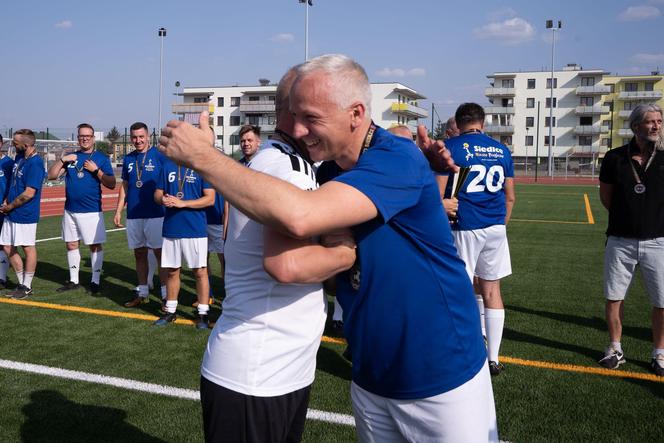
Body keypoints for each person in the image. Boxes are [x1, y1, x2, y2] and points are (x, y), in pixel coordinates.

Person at [159, 54, 497, 442]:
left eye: (311, 118)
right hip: (370, 372)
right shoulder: (327, 170)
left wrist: (202, 157)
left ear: (355, 113)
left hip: (440, 370)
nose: (298, 130)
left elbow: (300, 217)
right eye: (294, 115)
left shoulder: (396, 158)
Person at [200, 66, 357, 443]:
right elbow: (286, 265)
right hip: (257, 371)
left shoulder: (290, 161)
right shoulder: (286, 167)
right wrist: (350, 253)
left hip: (276, 367)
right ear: (297, 110)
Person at [439, 103, 516, 376]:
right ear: (482, 123)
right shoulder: (502, 150)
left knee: (459, 287)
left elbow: (442, 193)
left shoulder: (452, 147)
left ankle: (465, 351)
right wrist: (498, 224)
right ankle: (493, 358)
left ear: (458, 124)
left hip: (464, 225)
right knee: (492, 290)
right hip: (495, 226)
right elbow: (510, 196)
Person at [598, 103, 664, 376]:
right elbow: (606, 198)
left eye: (659, 121)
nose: (657, 126)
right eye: (650, 122)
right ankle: (615, 348)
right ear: (636, 126)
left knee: (662, 301)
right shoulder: (614, 158)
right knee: (614, 297)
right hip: (620, 241)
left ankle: (659, 353)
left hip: (658, 241)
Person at [47, 123, 116, 294]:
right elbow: (52, 175)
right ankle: (73, 280)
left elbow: (112, 184)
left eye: (88, 136)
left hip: (91, 210)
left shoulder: (101, 158)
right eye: (81, 136)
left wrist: (96, 170)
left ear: (93, 138)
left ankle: (95, 281)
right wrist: (63, 159)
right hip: (70, 210)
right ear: (78, 138)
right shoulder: (71, 157)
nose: (84, 138)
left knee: (94, 246)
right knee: (71, 244)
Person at [153, 156, 214, 328]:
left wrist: (183, 203)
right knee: (172, 271)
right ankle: (170, 311)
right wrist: (162, 199)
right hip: (171, 227)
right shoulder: (167, 166)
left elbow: (210, 199)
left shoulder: (201, 164)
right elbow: (157, 193)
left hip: (195, 229)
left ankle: (203, 313)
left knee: (200, 272)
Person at [114, 122, 167, 307]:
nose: (138, 140)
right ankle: (143, 292)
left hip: (156, 214)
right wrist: (119, 210)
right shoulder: (128, 159)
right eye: (134, 137)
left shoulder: (159, 156)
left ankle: (166, 295)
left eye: (141, 137)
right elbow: (126, 186)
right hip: (134, 214)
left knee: (161, 255)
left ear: (148, 137)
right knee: (139, 253)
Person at [0, 129, 45, 299]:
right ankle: (21, 283)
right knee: (6, 245)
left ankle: (27, 285)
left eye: (15, 142)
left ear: (25, 145)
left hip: (25, 213)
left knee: (28, 247)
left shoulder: (36, 164)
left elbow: (29, 193)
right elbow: (14, 183)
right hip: (11, 211)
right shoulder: (19, 158)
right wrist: (7, 201)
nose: (12, 144)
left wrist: (10, 206)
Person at [0, 135, 15, 288]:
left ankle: (2, 278)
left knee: (2, 244)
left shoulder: (9, 164)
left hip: (2, 209)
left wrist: (7, 202)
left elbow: (13, 185)